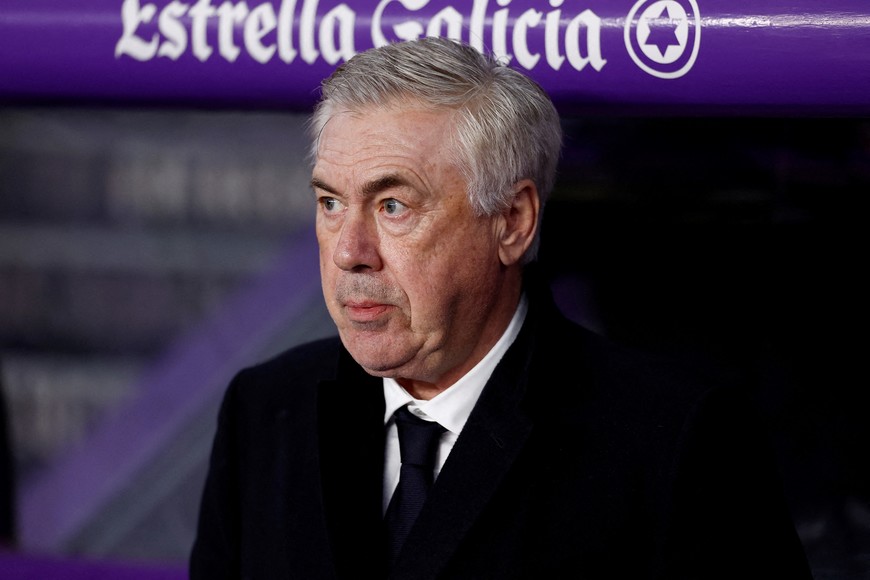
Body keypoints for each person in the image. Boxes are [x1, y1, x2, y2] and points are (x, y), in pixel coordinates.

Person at [190, 36, 813, 579]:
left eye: (393, 206)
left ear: (512, 222)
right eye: (330, 203)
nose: (350, 252)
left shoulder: (676, 440)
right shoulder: (265, 410)